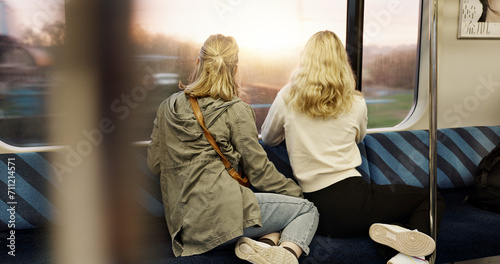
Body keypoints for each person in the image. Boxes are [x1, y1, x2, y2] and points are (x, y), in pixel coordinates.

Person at [261, 30, 445, 264]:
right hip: (354, 202)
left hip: (317, 212)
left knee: (393, 213)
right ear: (342, 61)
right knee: (430, 197)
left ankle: (399, 244)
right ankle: (412, 256)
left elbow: (268, 137)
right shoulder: (355, 102)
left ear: (305, 59)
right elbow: (358, 137)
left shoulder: (287, 96)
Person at [147, 34, 319, 264]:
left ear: (198, 63)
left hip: (183, 227)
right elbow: (261, 173)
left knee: (273, 217)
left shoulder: (167, 107)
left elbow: (155, 164)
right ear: (234, 69)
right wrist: (297, 193)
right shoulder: (236, 110)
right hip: (225, 219)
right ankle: (285, 256)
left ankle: (265, 247)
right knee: (306, 210)